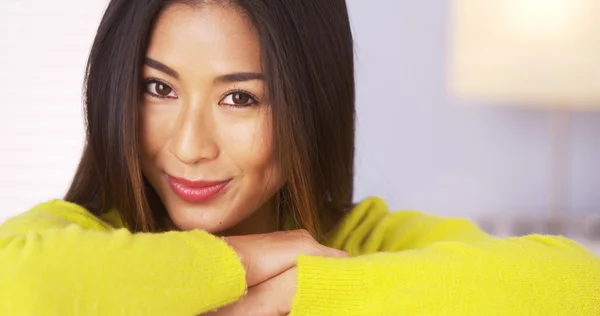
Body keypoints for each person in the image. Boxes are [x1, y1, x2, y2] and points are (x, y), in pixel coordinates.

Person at [1, 0, 599, 315]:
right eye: (159, 88)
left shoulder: (360, 245)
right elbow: (15, 285)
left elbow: (578, 288)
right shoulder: (81, 239)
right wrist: (252, 257)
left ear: (309, 106)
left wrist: (304, 292)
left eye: (240, 98)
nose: (188, 146)